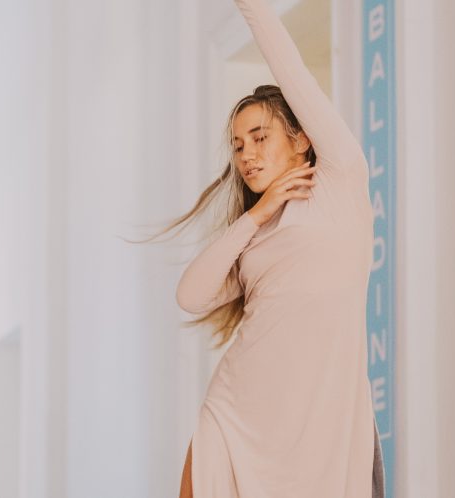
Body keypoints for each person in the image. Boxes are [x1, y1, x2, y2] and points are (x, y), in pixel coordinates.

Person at [166, 0, 387, 496]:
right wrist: (256, 215)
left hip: (321, 427)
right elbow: (190, 295)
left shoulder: (340, 181)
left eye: (259, 137)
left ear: (302, 138)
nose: (246, 153)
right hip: (236, 414)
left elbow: (289, 66)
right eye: (238, 145)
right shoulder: (254, 236)